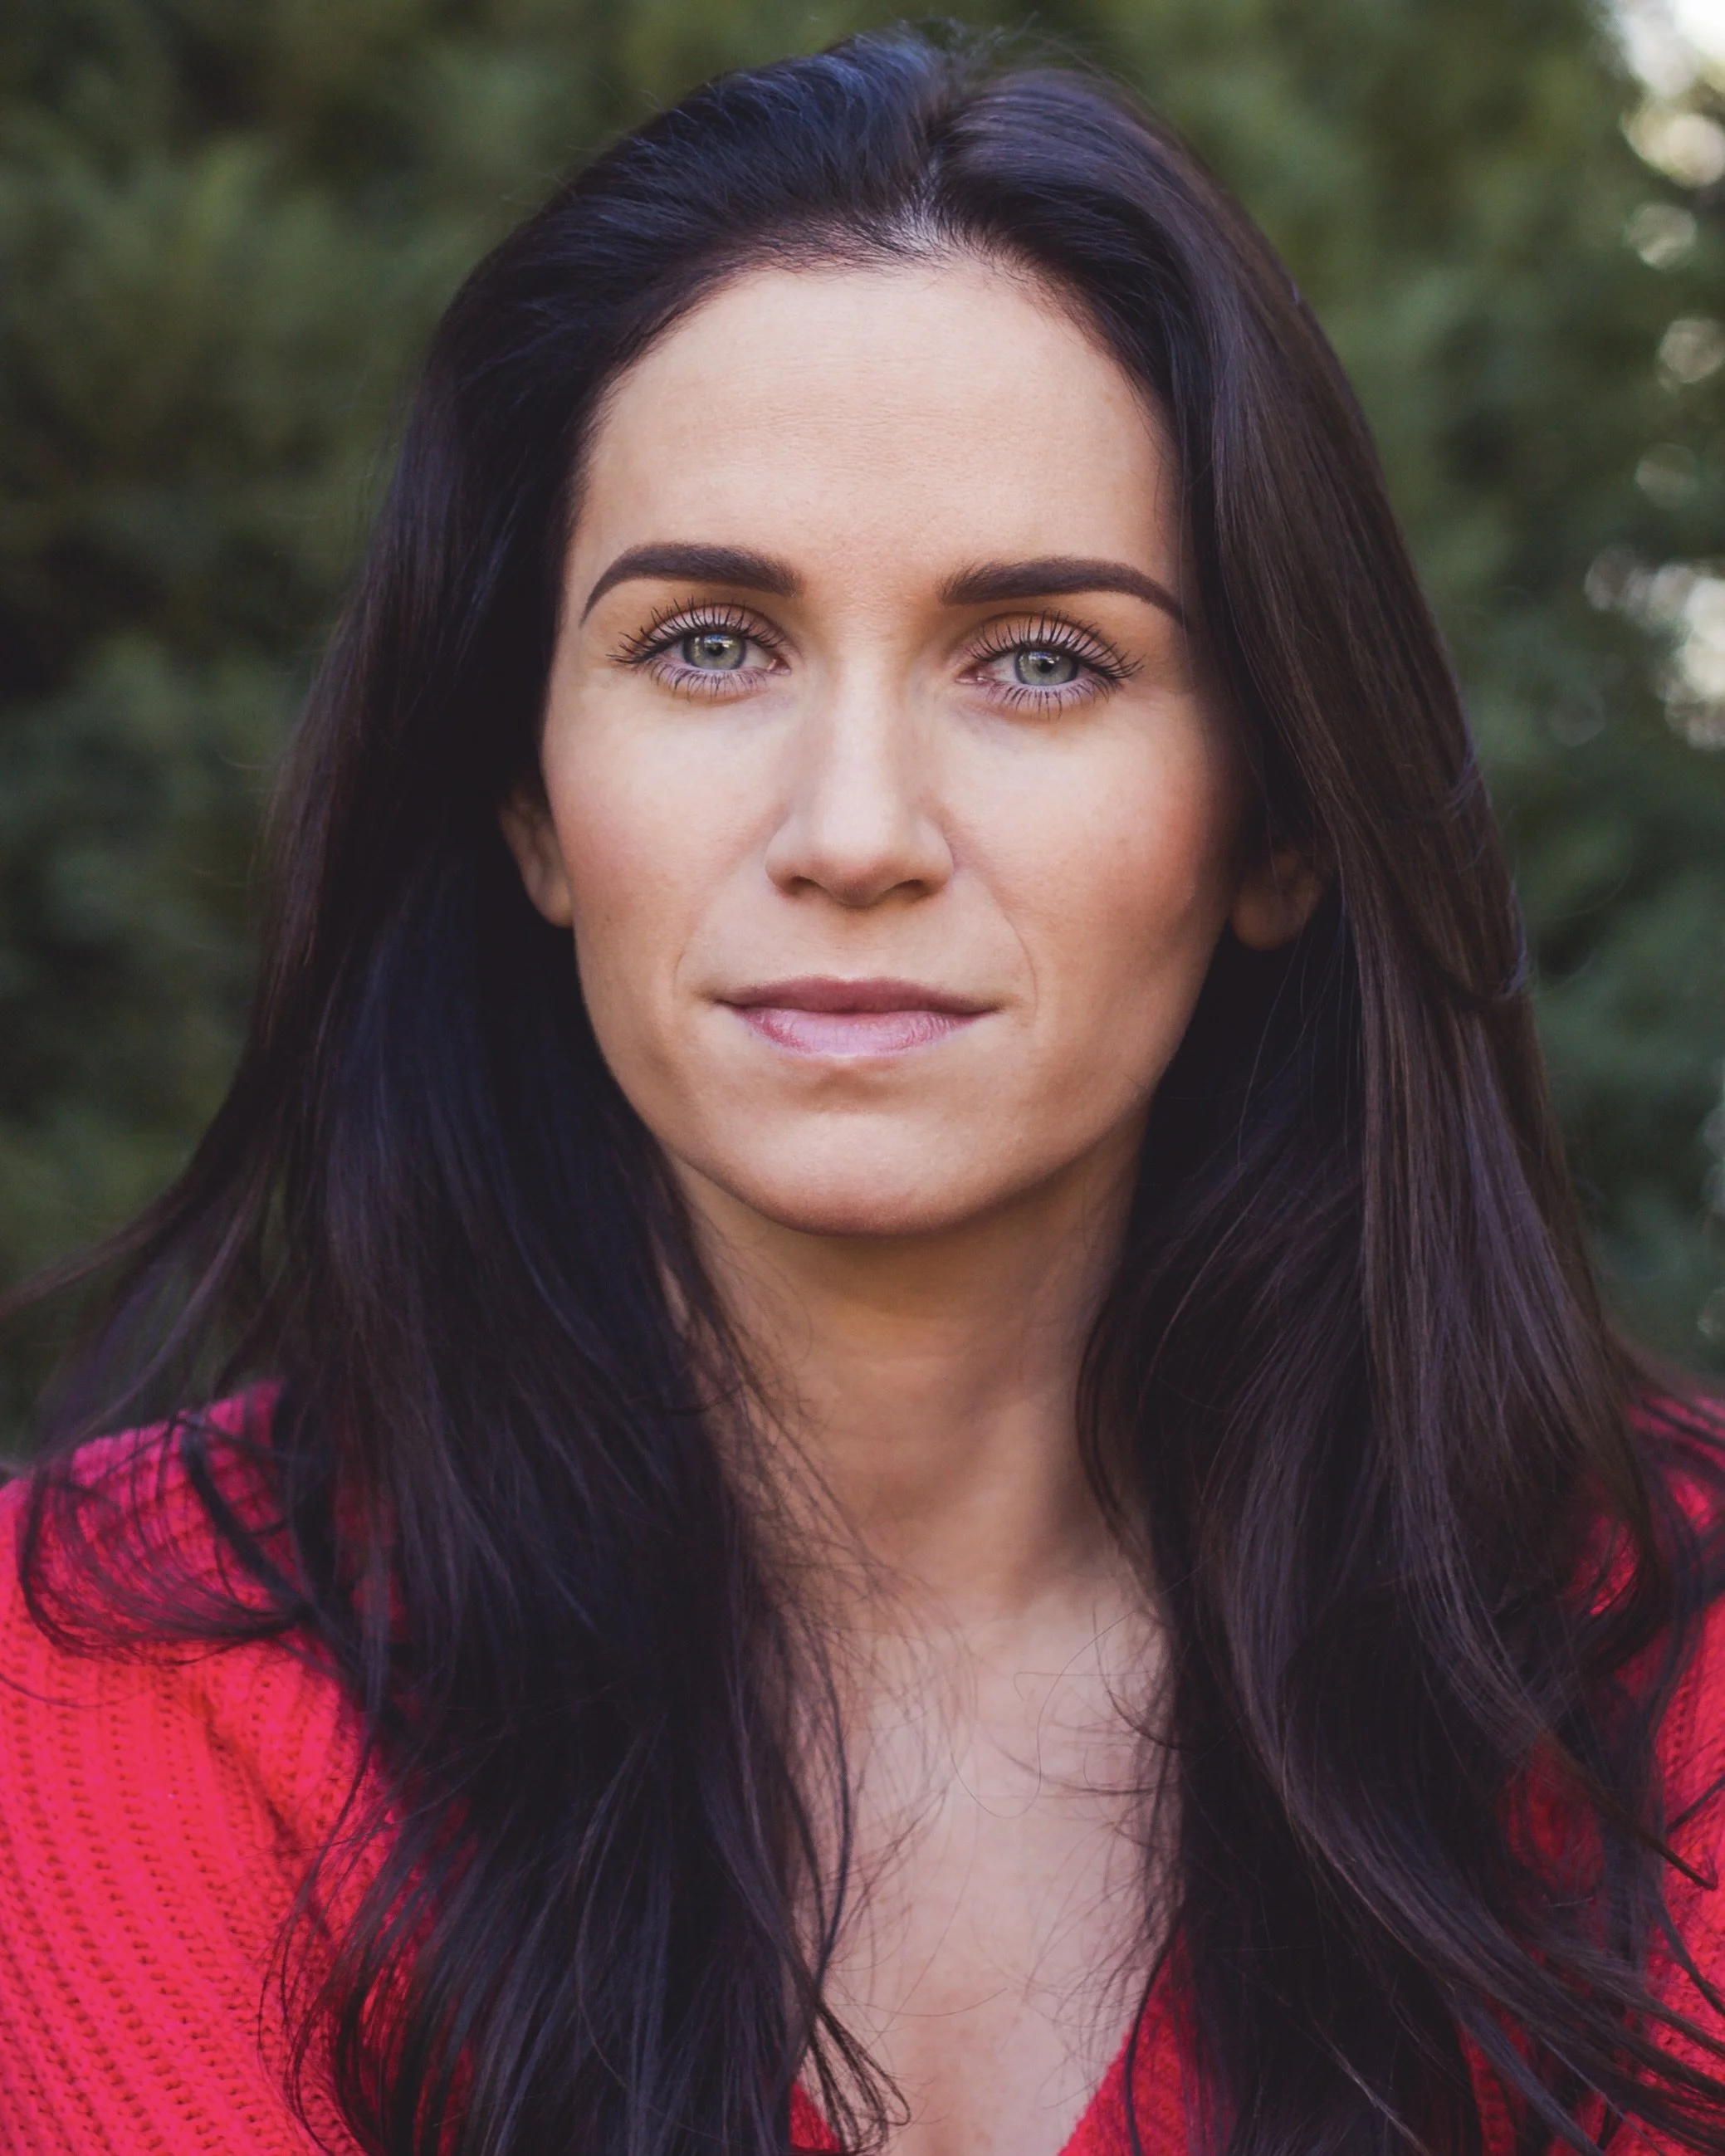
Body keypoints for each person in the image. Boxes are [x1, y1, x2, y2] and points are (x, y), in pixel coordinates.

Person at [2, 25, 1723, 2156]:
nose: (853, 830)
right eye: (709, 642)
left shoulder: (1665, 1671)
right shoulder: (109, 1678)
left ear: (1277, 821)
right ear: (529, 798)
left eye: (1040, 659)